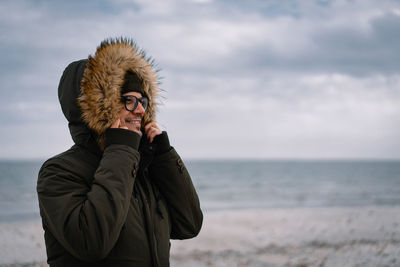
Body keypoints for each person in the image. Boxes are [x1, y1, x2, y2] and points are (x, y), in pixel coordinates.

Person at [37, 38, 203, 267]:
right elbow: (91, 243)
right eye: (128, 101)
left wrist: (164, 156)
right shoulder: (59, 172)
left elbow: (190, 225)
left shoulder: (142, 168)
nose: (141, 110)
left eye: (142, 101)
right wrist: (121, 151)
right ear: (97, 108)